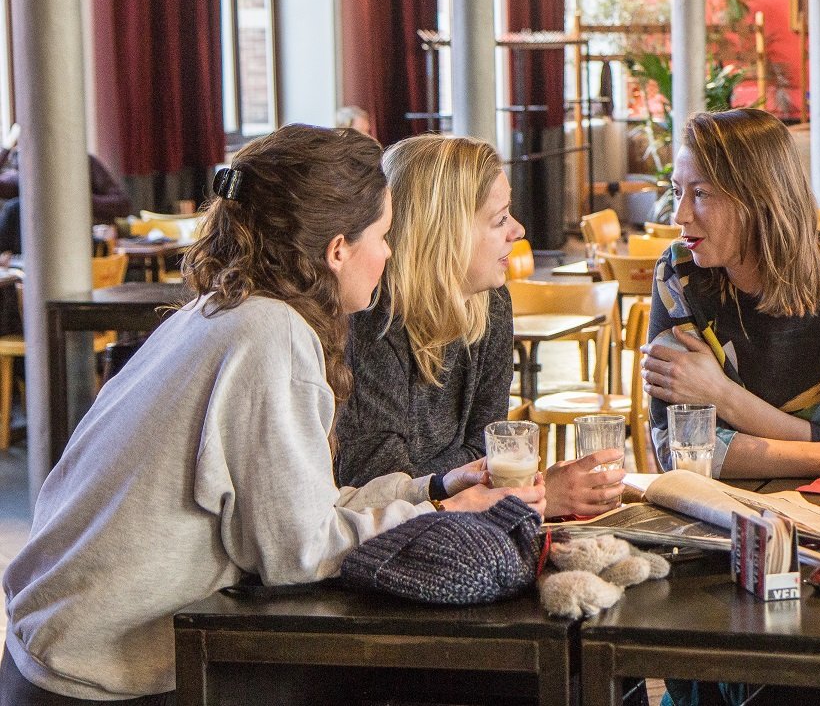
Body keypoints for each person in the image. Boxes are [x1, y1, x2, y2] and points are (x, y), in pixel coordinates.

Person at [2, 125, 519, 703]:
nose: (392, 252)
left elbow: (294, 510)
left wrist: (432, 489)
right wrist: (445, 511)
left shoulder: (223, 310)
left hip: (47, 652)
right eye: (384, 234)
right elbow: (294, 552)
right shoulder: (273, 333)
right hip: (100, 676)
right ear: (338, 249)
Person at [336, 133, 624, 519]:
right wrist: (524, 494)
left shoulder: (489, 304)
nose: (518, 230)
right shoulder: (373, 317)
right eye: (500, 218)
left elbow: (491, 452)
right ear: (444, 232)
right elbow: (379, 483)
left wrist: (492, 484)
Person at [640, 108, 820, 481]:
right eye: (677, 191)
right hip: (721, 509)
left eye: (700, 193)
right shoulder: (681, 274)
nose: (679, 216)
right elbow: (680, 450)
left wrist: (722, 395)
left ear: (760, 199)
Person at [0, 128, 132, 255]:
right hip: (38, 250)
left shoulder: (84, 163)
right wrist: (7, 147)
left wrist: (75, 199)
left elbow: (123, 205)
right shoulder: (31, 172)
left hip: (85, 247)